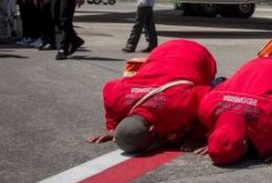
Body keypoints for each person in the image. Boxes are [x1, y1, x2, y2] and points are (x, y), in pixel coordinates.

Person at [86, 39, 217, 153]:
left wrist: (199, 136)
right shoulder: (116, 98)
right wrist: (112, 128)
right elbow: (110, 91)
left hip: (197, 55)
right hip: (161, 51)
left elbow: (209, 99)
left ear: (152, 128)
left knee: (217, 86)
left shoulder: (178, 105)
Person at [196, 57, 272, 167]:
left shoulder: (268, 119)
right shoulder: (208, 108)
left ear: (244, 142)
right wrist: (218, 143)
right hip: (253, 67)